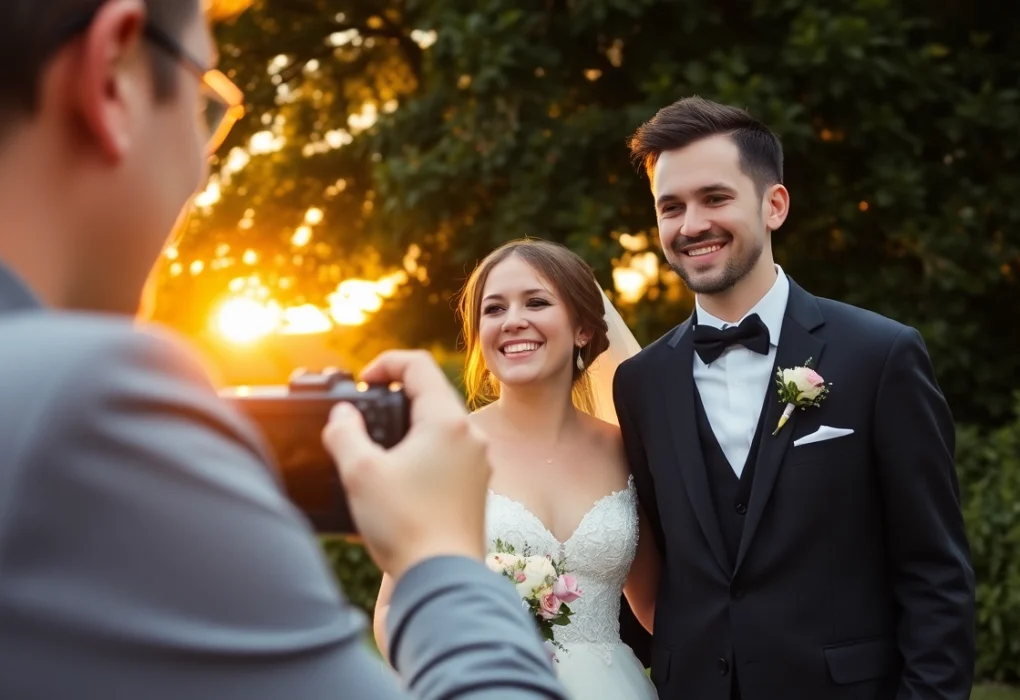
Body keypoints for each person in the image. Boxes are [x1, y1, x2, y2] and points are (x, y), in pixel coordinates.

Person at [0, 2, 570, 698]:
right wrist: (439, 553)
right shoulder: (87, 404)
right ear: (114, 76)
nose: (201, 170)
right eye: (208, 102)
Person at [614, 95, 976, 700]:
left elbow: (934, 572)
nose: (691, 225)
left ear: (774, 204)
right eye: (670, 207)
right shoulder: (640, 381)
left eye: (716, 198)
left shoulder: (880, 355)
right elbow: (650, 561)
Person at [372, 239, 659, 698]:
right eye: (494, 309)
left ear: (583, 328)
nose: (513, 321)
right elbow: (391, 610)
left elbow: (653, 606)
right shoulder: (448, 451)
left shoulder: (626, 450)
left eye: (537, 302)